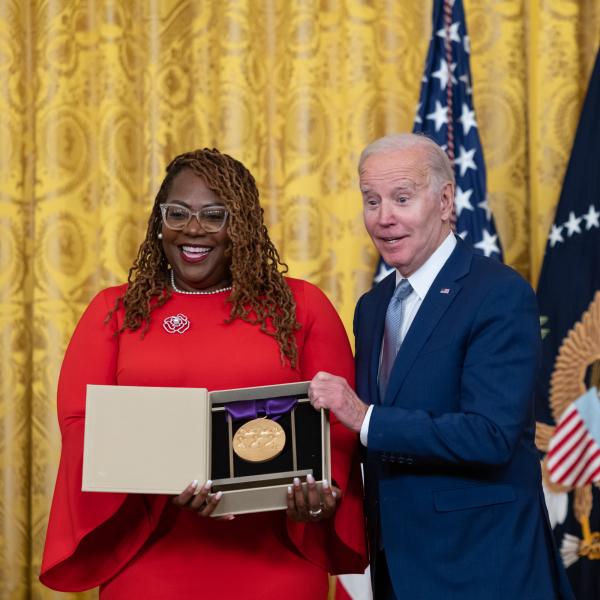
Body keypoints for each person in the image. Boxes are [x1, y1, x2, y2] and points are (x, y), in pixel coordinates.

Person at [40, 148, 367, 598]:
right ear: (159, 221)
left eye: (215, 215)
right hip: (150, 557)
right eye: (178, 213)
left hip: (274, 562)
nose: (193, 229)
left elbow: (338, 427)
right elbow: (81, 424)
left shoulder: (302, 306)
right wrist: (157, 482)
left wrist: (322, 494)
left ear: (244, 226)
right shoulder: (114, 311)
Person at [308, 133, 574, 599]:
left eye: (401, 198)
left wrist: (365, 417)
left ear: (446, 200)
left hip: (483, 566)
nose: (384, 217)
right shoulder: (373, 308)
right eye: (371, 201)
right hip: (398, 570)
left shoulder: (497, 293)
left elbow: (489, 436)